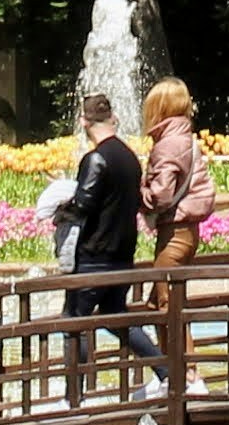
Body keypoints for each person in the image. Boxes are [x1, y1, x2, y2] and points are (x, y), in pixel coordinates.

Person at [52, 91, 158, 385]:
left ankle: (75, 398)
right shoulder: (129, 158)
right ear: (112, 118)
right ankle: (166, 372)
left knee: (74, 322)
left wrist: (59, 207)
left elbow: (84, 205)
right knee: (116, 317)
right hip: (123, 255)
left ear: (84, 122)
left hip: (93, 257)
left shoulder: (96, 158)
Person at [140, 77, 217, 261]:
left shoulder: (168, 145)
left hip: (174, 234)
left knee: (163, 289)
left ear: (158, 109)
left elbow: (161, 196)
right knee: (169, 289)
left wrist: (139, 192)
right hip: (189, 231)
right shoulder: (186, 138)